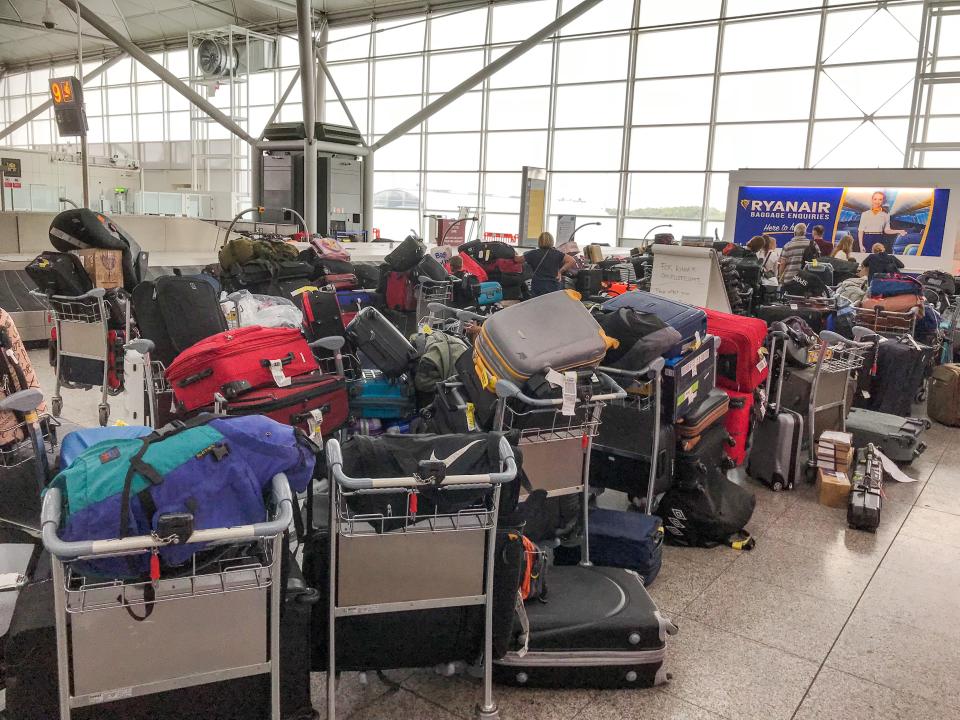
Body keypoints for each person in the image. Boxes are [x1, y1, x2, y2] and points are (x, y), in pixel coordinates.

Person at [524, 231, 576, 297]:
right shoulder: (557, 253)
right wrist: (560, 271)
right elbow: (572, 261)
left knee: (538, 305)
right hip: (553, 285)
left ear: (539, 241)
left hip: (538, 286)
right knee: (552, 304)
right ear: (552, 241)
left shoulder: (533, 253)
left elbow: (518, 259)